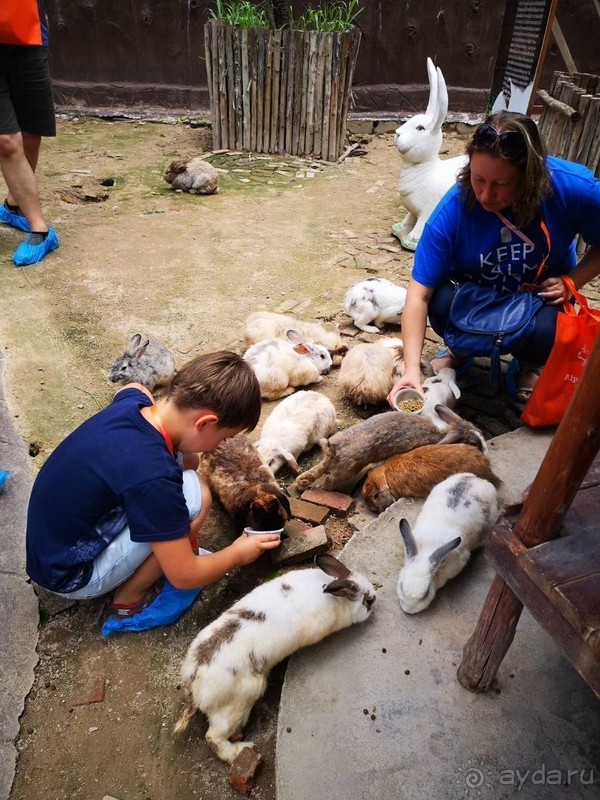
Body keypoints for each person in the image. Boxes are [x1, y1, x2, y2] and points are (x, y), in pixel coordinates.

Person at [26, 351, 281, 622]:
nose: (221, 446)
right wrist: (236, 554)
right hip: (71, 575)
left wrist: (187, 453)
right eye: (225, 437)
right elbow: (184, 575)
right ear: (205, 423)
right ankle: (128, 596)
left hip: (48, 549)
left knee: (185, 462)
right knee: (197, 497)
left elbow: (133, 386)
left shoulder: (135, 402)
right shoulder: (155, 477)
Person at [388, 110, 600, 406]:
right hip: (474, 296)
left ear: (531, 176)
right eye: (478, 179)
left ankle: (530, 361)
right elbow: (418, 294)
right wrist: (411, 369)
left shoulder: (573, 188)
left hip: (536, 297)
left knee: (554, 323)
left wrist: (571, 281)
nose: (486, 195)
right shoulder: (451, 211)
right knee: (440, 301)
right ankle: (460, 347)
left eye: (501, 184)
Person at [0, 0, 59, 265]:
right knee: (5, 140)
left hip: (28, 33)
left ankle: (13, 207)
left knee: (32, 131)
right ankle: (40, 230)